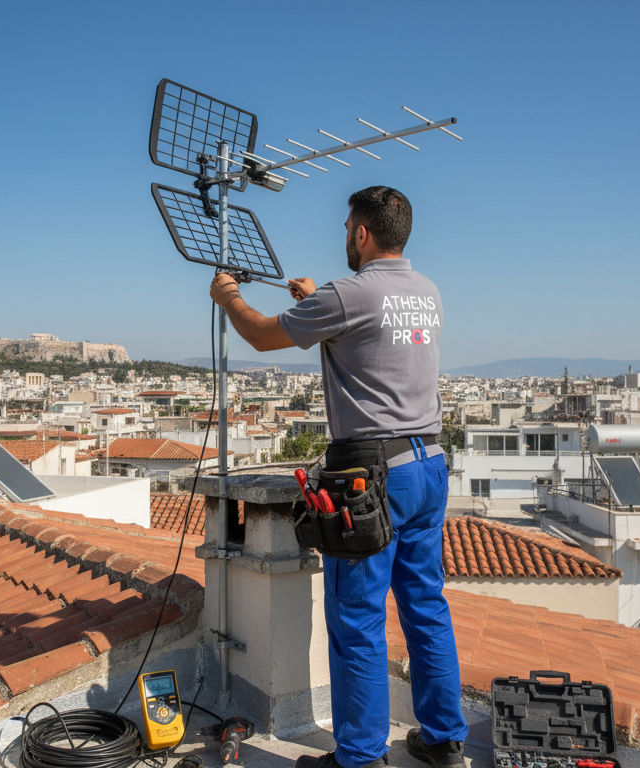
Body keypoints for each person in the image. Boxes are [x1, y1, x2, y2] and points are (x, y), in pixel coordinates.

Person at [208, 186, 467, 768]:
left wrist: (230, 298)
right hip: (428, 464)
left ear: (361, 233)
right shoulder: (426, 292)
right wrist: (316, 296)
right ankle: (445, 739)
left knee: (357, 618)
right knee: (426, 605)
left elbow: (262, 334)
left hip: (373, 475)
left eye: (347, 224)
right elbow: (364, 326)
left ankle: (359, 756)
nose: (344, 233)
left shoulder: (351, 295)